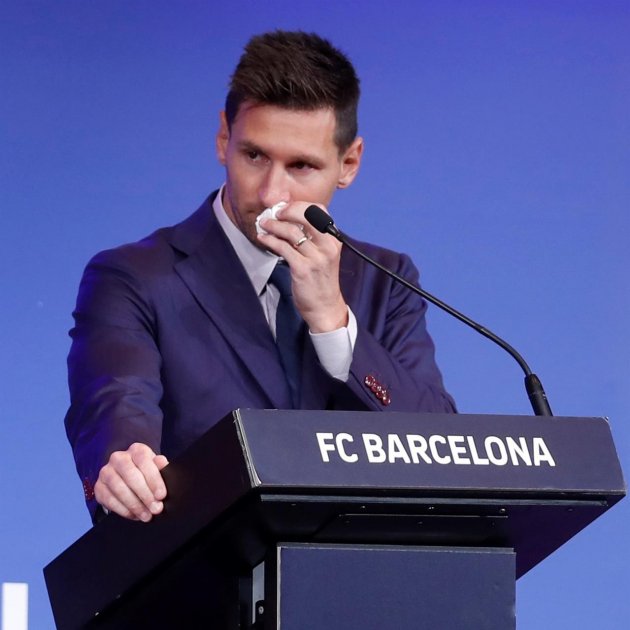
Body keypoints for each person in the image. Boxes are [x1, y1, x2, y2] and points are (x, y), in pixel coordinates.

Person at [65, 30, 456, 524]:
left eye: (301, 166)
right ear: (223, 139)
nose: (272, 192)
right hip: (208, 563)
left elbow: (441, 449)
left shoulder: (388, 280)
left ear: (349, 163)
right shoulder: (132, 277)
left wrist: (333, 322)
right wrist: (123, 464)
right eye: (254, 156)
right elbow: (116, 407)